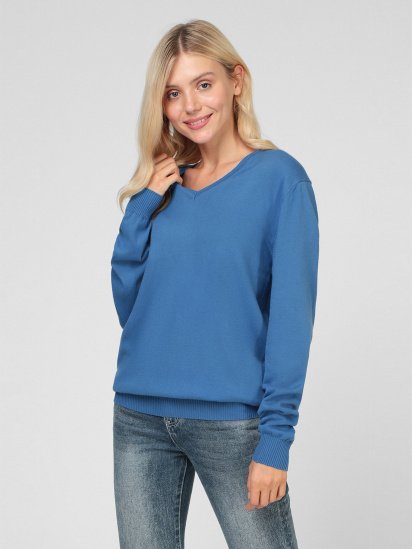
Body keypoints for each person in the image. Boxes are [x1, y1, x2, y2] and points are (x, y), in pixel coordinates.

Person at [110, 19, 319, 549]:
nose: (190, 105)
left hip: (232, 425)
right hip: (139, 416)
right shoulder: (165, 185)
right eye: (173, 93)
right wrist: (140, 208)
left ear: (236, 81)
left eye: (203, 84)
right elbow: (132, 308)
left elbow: (291, 320)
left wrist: (275, 440)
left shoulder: (280, 179)